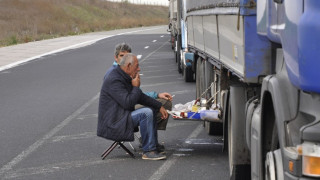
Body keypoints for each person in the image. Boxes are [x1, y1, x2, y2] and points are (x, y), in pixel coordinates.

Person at [98, 53, 168, 160]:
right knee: (146, 113)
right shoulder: (114, 79)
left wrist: (159, 106)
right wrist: (136, 87)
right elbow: (128, 103)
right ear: (129, 66)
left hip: (121, 116)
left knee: (152, 109)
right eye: (137, 66)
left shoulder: (123, 75)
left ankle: (152, 145)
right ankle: (148, 151)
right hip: (114, 122)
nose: (139, 69)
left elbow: (140, 97)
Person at [104, 43, 172, 131]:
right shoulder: (115, 74)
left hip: (131, 103)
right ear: (116, 58)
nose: (124, 59)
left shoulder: (128, 70)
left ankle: (148, 137)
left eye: (127, 56)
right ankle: (148, 141)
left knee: (165, 103)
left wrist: (157, 95)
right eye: (121, 56)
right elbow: (128, 100)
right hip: (121, 111)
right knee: (149, 110)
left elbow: (138, 95)